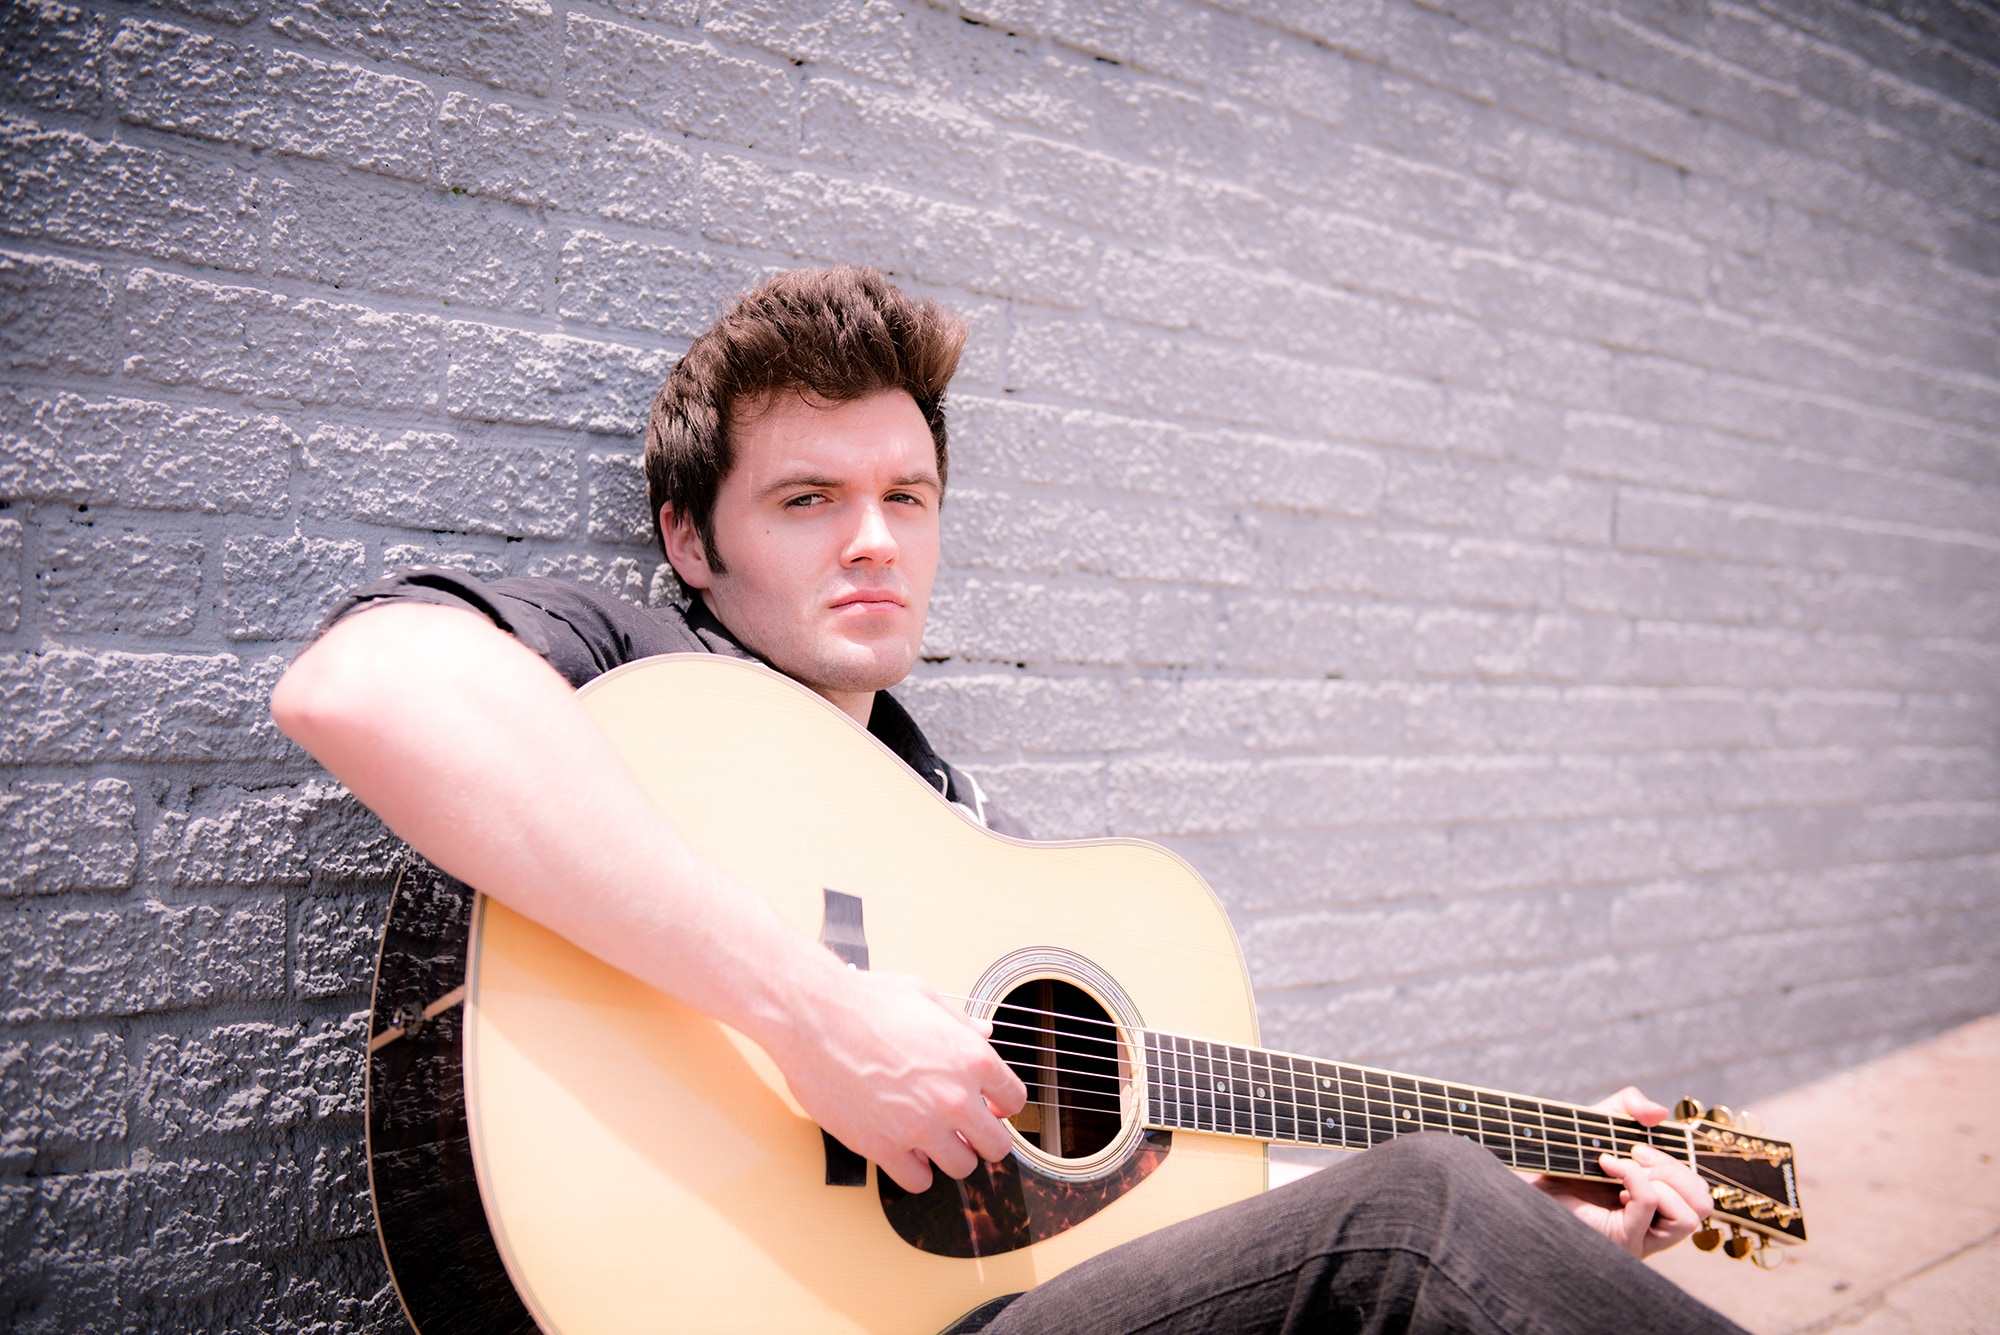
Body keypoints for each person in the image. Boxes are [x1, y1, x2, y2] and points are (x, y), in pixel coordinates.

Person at [272, 267, 1744, 1333]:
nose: (874, 541)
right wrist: (813, 1014)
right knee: (1422, 1212)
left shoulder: (946, 823)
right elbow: (364, 685)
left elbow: (1159, 1217)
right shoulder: (637, 669)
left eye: (907, 498)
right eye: (808, 499)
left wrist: (1536, 1221)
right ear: (692, 539)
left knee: (1452, 1224)